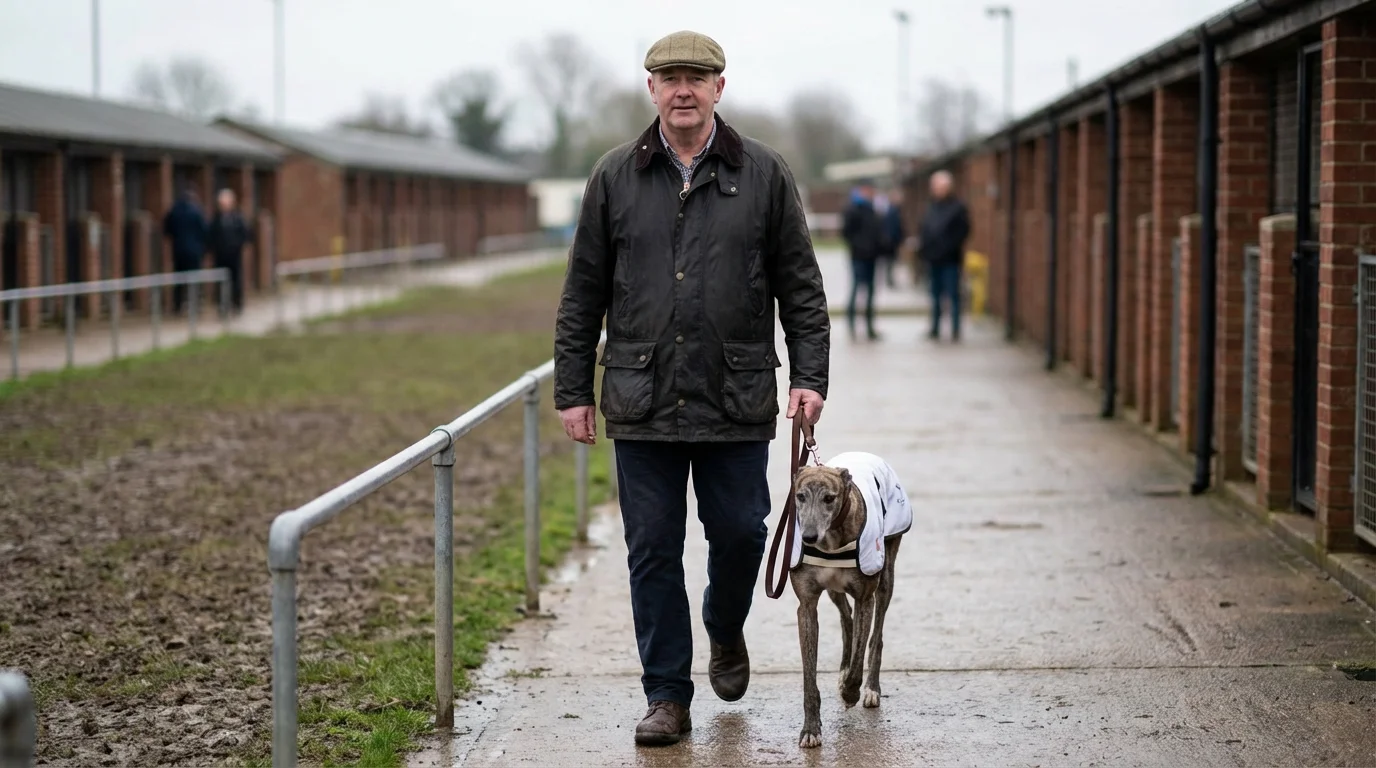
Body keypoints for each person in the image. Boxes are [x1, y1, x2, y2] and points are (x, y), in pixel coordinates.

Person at [552, 29, 830, 748]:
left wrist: (809, 376)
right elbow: (582, 291)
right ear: (651, 89)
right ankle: (667, 696)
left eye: (696, 78)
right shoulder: (614, 176)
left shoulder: (765, 174)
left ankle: (724, 625)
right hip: (641, 399)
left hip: (735, 397)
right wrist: (572, 388)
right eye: (669, 77)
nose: (682, 89)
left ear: (718, 89)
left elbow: (801, 287)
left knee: (741, 533)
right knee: (652, 549)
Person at [917, 170, 971, 341]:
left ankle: (955, 329)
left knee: (953, 295)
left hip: (950, 260)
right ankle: (935, 328)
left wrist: (948, 247)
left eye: (939, 186)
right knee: (935, 296)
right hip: (933, 259)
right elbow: (925, 229)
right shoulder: (931, 206)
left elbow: (963, 231)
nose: (936, 189)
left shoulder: (957, 207)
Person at [840, 179, 883, 340]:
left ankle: (869, 327)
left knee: (870, 292)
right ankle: (852, 326)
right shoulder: (853, 208)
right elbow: (847, 233)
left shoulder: (871, 209)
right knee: (856, 289)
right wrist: (860, 247)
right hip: (859, 257)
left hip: (872, 257)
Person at [206, 188, 253, 314]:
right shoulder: (216, 219)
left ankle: (237, 304)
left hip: (234, 255)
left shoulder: (237, 218)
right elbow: (211, 235)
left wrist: (237, 245)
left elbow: (246, 234)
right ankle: (222, 305)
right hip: (220, 256)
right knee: (221, 282)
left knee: (236, 281)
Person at [162, 186, 207, 314]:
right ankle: (195, 305)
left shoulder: (174, 211)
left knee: (179, 279)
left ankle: (177, 305)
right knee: (194, 279)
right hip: (194, 251)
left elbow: (167, 229)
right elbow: (204, 230)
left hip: (178, 250)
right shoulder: (197, 211)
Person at [874, 187, 905, 289]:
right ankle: (889, 280)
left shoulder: (893, 210)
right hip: (891, 242)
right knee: (889, 262)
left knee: (890, 262)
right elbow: (892, 227)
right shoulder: (892, 211)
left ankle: (889, 279)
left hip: (892, 241)